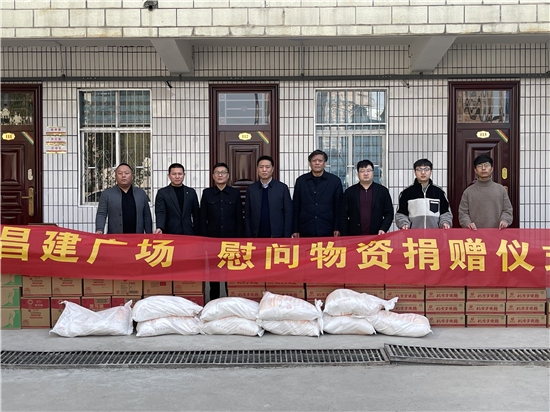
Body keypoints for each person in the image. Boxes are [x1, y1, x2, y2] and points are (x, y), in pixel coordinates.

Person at [200, 162, 244, 300]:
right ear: (213, 176)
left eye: (223, 172)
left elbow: (239, 218)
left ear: (228, 175)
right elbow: (202, 218)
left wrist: (240, 240)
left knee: (230, 274)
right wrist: (203, 241)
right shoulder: (207, 193)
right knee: (214, 274)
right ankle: (214, 302)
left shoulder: (235, 193)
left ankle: (230, 301)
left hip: (231, 240)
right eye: (217, 173)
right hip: (212, 240)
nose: (220, 175)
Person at [292, 150, 343, 238]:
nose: (317, 163)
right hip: (305, 228)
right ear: (310, 163)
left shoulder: (334, 181)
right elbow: (296, 206)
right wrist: (295, 229)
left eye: (320, 161)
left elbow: (339, 207)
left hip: (328, 228)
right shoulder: (301, 181)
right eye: (314, 161)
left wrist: (337, 227)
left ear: (325, 163)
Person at [340, 159, 394, 236]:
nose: (366, 173)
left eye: (369, 171)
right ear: (358, 174)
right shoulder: (350, 192)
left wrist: (383, 228)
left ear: (373, 172)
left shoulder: (382, 191)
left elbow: (389, 213)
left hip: (377, 234)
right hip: (354, 235)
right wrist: (344, 235)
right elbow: (343, 215)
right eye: (362, 171)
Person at [458, 154, 513, 230]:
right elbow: (463, 213)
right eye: (480, 166)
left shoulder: (501, 189)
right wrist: (467, 223)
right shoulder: (468, 192)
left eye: (486, 165)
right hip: (474, 233)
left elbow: (507, 210)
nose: (483, 168)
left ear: (492, 169)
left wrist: (505, 220)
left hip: (498, 232)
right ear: (475, 170)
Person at [95, 163, 152, 234]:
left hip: (137, 237)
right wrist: (99, 229)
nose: (123, 175)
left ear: (132, 176)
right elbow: (101, 214)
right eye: (120, 173)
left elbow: (146, 215)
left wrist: (149, 233)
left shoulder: (141, 193)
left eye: (127, 173)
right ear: (116, 177)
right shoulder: (107, 194)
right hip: (115, 237)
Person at [395, 159, 452, 230]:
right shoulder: (406, 193)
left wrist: (445, 222)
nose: (423, 172)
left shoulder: (439, 192)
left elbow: (446, 212)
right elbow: (400, 214)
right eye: (419, 169)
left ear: (431, 171)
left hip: (435, 234)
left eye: (426, 169)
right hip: (413, 234)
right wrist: (404, 224)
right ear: (415, 172)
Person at [245, 155, 292, 238]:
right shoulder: (251, 189)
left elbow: (288, 214)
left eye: (267, 167)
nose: (264, 170)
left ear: (272, 169)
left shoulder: (282, 188)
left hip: (277, 235)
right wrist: (249, 236)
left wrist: (287, 236)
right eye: (261, 167)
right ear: (257, 169)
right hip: (256, 235)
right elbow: (247, 215)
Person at [154, 163, 199, 235]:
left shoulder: (191, 192)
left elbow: (196, 214)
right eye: (174, 174)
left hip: (188, 232)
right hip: (170, 233)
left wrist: (197, 231)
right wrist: (160, 227)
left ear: (184, 175)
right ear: (169, 176)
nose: (177, 177)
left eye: (180, 174)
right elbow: (160, 212)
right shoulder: (162, 193)